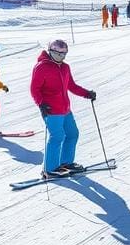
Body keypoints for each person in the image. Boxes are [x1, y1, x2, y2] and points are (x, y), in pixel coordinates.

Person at [30, 39, 96, 178]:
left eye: (63, 54)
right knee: (57, 137)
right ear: (50, 52)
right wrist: (41, 103)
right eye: (58, 54)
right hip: (51, 109)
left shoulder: (65, 67)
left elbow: (71, 86)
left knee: (72, 134)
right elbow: (34, 89)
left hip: (65, 109)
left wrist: (86, 93)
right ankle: (50, 169)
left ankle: (66, 163)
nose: (61, 57)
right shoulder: (42, 67)